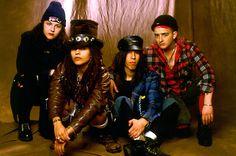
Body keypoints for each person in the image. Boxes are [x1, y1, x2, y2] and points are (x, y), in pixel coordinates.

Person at [47, 19, 121, 155]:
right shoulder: (63, 68)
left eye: (83, 48)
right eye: (74, 48)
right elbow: (55, 93)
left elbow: (93, 105)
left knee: (99, 114)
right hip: (75, 105)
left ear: (92, 51)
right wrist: (57, 123)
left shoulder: (102, 73)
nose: (77, 52)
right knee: (63, 106)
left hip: (95, 110)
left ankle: (104, 134)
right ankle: (64, 131)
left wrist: (68, 132)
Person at [144, 14, 216, 146]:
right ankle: (181, 122)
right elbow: (126, 61)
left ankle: (204, 128)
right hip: (168, 95)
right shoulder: (150, 52)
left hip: (185, 89)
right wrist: (111, 76)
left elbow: (207, 72)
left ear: (174, 34)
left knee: (203, 82)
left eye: (165, 34)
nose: (160, 39)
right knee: (183, 126)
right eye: (157, 35)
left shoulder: (188, 47)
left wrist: (207, 104)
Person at [110, 35, 179, 156]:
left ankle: (144, 142)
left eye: (136, 53)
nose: (133, 57)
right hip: (124, 122)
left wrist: (144, 120)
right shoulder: (113, 75)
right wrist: (109, 77)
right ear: (122, 55)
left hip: (145, 120)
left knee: (172, 103)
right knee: (122, 100)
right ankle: (140, 141)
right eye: (129, 53)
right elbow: (101, 72)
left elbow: (155, 103)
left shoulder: (149, 75)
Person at [11, 1, 68, 141]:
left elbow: (61, 72)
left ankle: (47, 122)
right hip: (29, 83)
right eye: (49, 24)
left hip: (48, 88)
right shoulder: (28, 38)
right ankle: (24, 121)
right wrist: (48, 71)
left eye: (57, 26)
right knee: (22, 78)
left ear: (62, 28)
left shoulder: (64, 46)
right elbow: (23, 65)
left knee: (47, 133)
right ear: (42, 22)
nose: (52, 29)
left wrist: (48, 74)